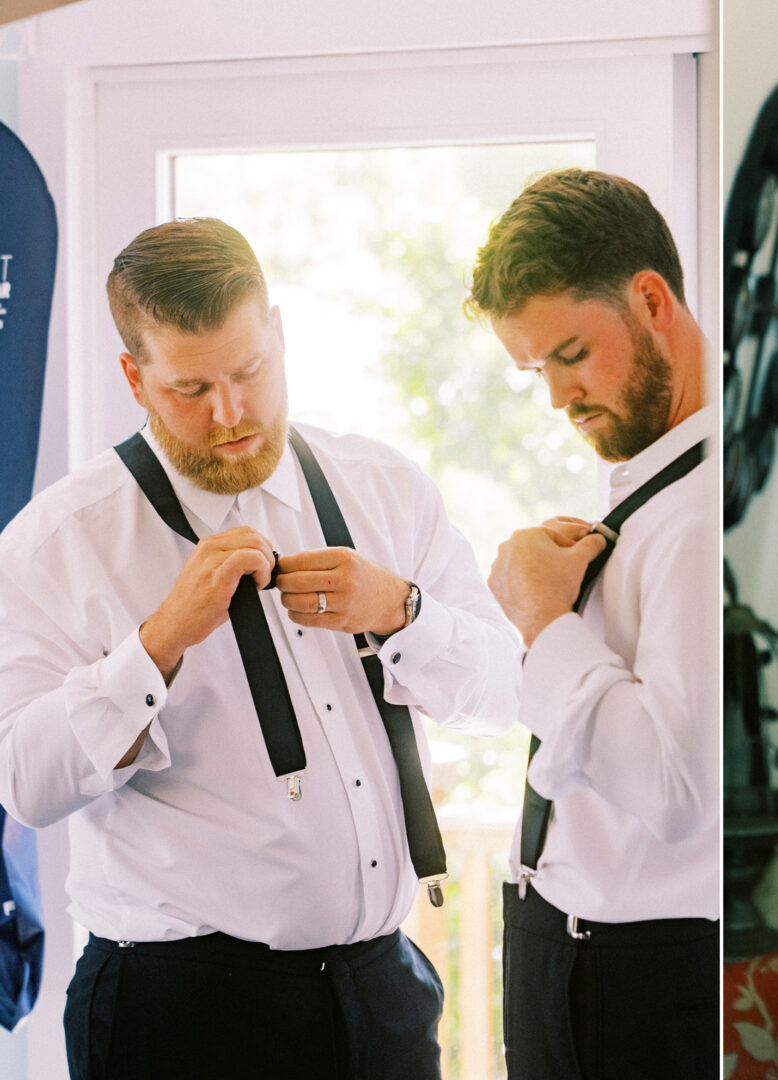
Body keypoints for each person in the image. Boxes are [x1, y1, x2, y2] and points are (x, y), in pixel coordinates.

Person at [0, 217, 522, 1080]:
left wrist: (402, 610)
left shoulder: (384, 487)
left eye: (249, 372)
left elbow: (505, 694)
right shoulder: (58, 543)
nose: (232, 413)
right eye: (191, 389)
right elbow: (24, 780)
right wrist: (158, 644)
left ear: (278, 333)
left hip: (382, 991)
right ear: (135, 378)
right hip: (179, 1017)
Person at [467, 169, 719, 1080]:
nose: (559, 398)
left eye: (571, 353)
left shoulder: (699, 517)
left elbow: (679, 791)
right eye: (538, 370)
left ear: (651, 300)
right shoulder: (656, 490)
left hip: (636, 980)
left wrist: (544, 620)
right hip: (570, 950)